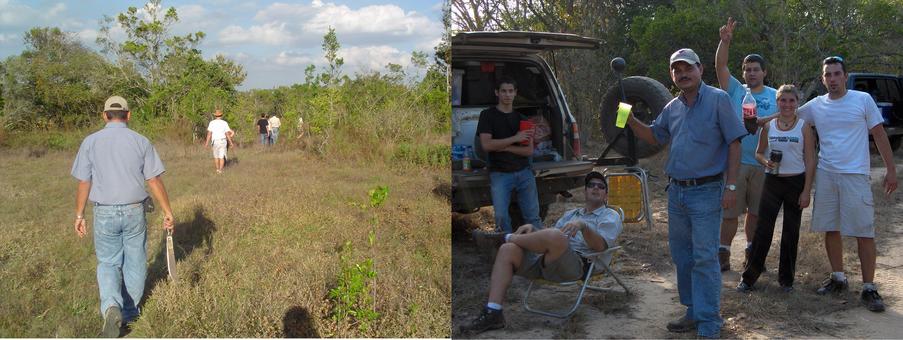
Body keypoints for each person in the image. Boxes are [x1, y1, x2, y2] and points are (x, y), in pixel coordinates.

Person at [626, 48, 746, 338]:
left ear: (699, 69)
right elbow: (655, 136)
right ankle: (693, 311)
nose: (683, 74)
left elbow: (734, 143)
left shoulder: (718, 100)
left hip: (706, 191)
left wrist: (731, 186)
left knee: (705, 257)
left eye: (687, 68)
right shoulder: (672, 107)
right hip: (676, 192)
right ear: (672, 75)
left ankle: (709, 323)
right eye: (676, 70)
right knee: (683, 256)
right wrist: (626, 117)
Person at [459, 172, 623, 335]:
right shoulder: (571, 214)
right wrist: (534, 231)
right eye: (591, 185)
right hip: (549, 260)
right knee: (507, 250)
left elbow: (601, 246)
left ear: (606, 195)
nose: (595, 188)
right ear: (585, 191)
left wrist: (584, 226)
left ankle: (506, 237)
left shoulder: (611, 216)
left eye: (601, 186)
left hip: (580, 265)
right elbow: (551, 239)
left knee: (554, 236)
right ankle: (493, 312)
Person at [797, 56, 898, 312]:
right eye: (827, 75)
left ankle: (869, 287)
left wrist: (890, 170)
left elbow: (878, 133)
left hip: (855, 175)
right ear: (822, 79)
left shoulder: (862, 100)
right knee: (831, 229)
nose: (832, 79)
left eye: (836, 74)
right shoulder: (816, 106)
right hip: (827, 175)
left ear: (845, 75)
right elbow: (787, 113)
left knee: (864, 232)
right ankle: (838, 278)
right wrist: (758, 123)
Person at [71, 96, 175, 337]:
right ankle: (129, 313)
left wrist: (79, 215)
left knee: (108, 262)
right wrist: (168, 212)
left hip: (104, 211)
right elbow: (153, 179)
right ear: (128, 115)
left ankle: (110, 307)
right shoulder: (141, 141)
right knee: (136, 261)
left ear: (104, 115)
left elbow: (84, 181)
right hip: (134, 210)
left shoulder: (90, 142)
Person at [737, 85, 816, 293]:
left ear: (797, 103)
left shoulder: (804, 127)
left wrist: (806, 190)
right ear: (777, 102)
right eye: (783, 101)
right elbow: (758, 152)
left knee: (791, 232)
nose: (787, 105)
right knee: (762, 230)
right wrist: (765, 162)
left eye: (791, 101)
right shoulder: (769, 126)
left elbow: (810, 159)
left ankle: (786, 281)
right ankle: (749, 278)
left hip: (795, 182)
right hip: (772, 181)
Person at [714, 17, 779, 271]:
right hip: (736, 163)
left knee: (756, 213)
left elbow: (790, 115)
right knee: (730, 213)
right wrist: (725, 42)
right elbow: (720, 65)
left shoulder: (776, 95)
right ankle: (723, 253)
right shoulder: (734, 90)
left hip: (763, 163)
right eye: (747, 69)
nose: (751, 73)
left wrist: (765, 120)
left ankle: (752, 254)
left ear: (764, 72)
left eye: (756, 69)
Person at [476, 77, 543, 233]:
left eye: (510, 91)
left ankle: (538, 253)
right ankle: (508, 250)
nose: (507, 95)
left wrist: (504, 147)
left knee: (533, 217)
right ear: (497, 93)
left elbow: (528, 151)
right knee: (501, 218)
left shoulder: (522, 120)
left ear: (515, 93)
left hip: (524, 173)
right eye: (504, 91)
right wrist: (515, 139)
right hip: (500, 174)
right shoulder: (487, 115)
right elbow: (486, 145)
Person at [204, 109, 234, 174]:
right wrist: (231, 142)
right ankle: (220, 170)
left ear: (215, 116)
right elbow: (227, 134)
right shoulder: (224, 123)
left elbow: (209, 134)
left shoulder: (211, 123)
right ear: (221, 115)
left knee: (216, 156)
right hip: (223, 141)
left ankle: (217, 169)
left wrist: (206, 143)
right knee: (221, 156)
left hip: (215, 141)